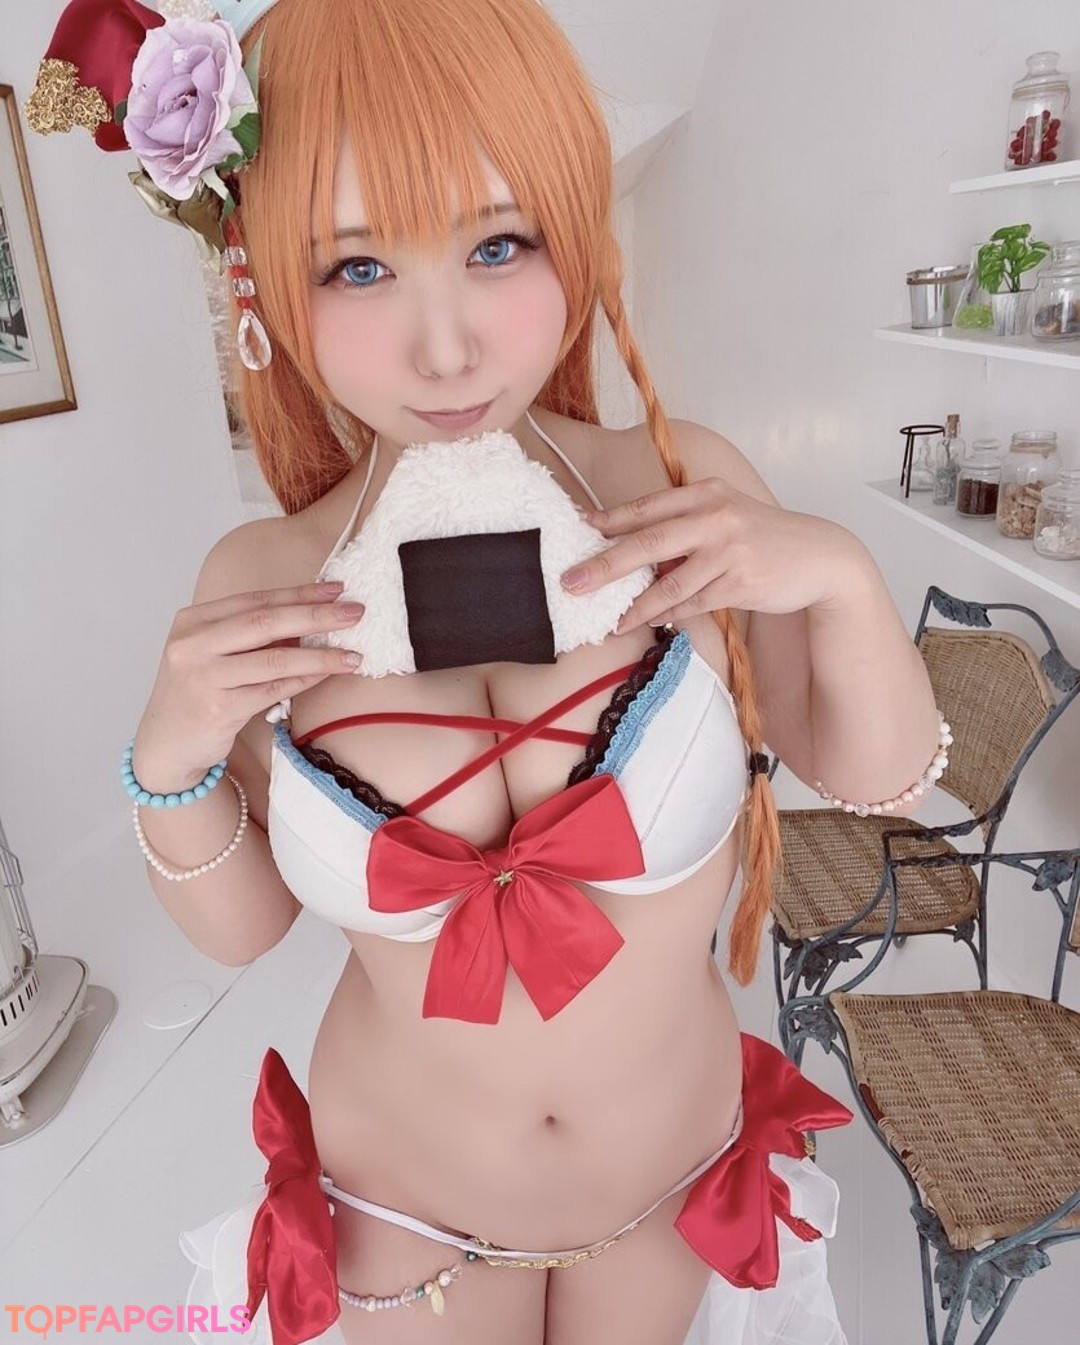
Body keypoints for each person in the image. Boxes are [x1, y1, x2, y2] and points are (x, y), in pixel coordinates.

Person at [28, 0, 943, 1341]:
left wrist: (841, 574)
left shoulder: (681, 490)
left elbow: (885, 780)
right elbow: (245, 929)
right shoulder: (263, 576)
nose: (446, 347)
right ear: (263, 286)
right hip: (403, 1205)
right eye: (356, 267)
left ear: (571, 236)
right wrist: (168, 754)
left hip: (663, 1184)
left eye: (496, 244)